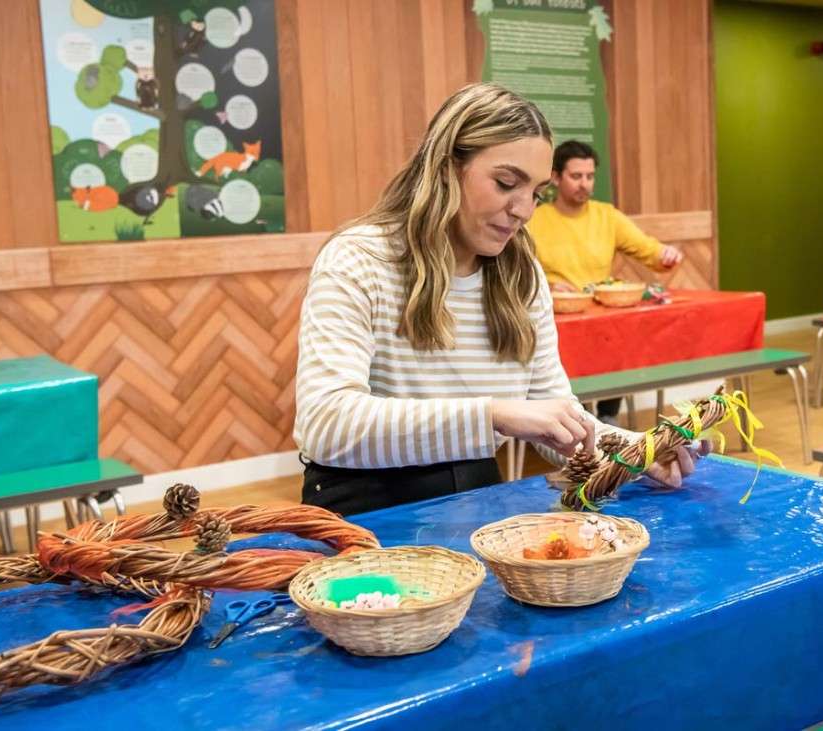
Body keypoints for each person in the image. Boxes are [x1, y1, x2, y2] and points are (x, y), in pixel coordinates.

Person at [293, 83, 705, 517]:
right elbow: (327, 425)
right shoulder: (358, 260)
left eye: (536, 192)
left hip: (476, 501)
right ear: (447, 167)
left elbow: (562, 422)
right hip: (362, 510)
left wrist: (638, 454)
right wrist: (494, 415)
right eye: (506, 183)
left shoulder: (521, 276)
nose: (524, 209)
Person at [527, 140, 683, 424]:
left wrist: (666, 254)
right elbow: (517, 269)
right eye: (576, 176)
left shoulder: (606, 216)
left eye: (589, 176)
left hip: (605, 324)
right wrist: (545, 287)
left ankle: (608, 418)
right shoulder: (535, 220)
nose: (584, 184)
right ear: (555, 177)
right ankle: (581, 419)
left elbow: (648, 250)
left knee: (619, 342)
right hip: (559, 323)